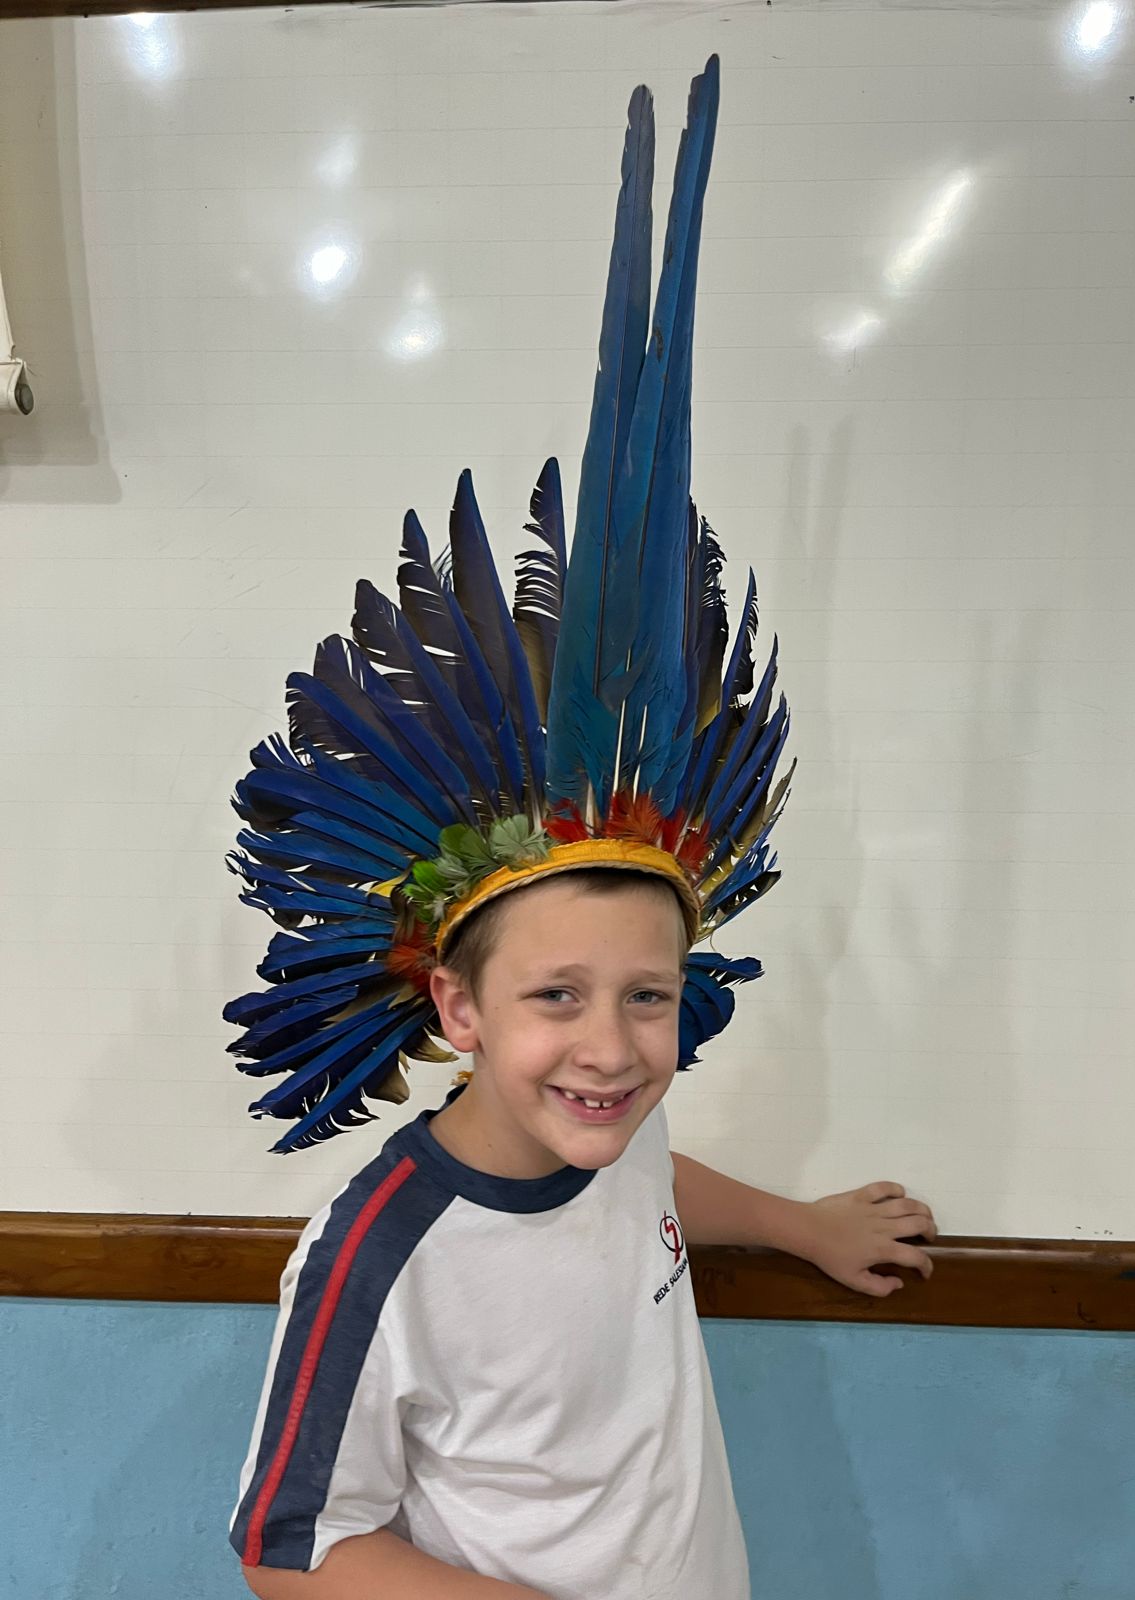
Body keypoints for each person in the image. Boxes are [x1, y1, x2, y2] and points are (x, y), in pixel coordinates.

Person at [227, 56, 936, 1600]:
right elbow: (289, 1548)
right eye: (556, 994)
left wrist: (799, 1227)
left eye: (647, 996)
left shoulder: (608, 1122)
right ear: (458, 1004)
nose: (612, 1045)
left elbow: (651, 1186)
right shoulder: (383, 1248)